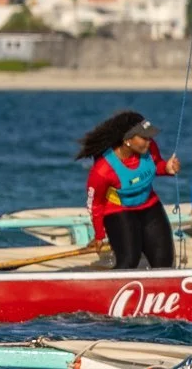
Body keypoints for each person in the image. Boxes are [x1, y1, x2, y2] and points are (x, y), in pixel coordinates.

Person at [76, 110, 181, 270]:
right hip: (119, 212)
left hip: (150, 207)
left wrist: (166, 168)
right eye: (144, 137)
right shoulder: (103, 169)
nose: (149, 141)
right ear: (127, 141)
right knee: (129, 261)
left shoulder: (149, 148)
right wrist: (99, 235)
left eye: (149, 136)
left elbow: (156, 165)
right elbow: (95, 204)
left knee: (164, 262)